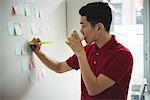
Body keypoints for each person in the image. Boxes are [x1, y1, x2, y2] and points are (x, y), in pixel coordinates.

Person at [30, 1, 133, 100]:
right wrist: (38, 52)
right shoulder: (88, 50)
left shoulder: (123, 55)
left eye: (83, 26)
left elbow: (93, 89)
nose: (80, 31)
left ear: (98, 27)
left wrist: (80, 53)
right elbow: (59, 67)